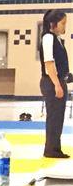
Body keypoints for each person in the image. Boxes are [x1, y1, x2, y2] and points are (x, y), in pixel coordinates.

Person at [38, 9, 68, 159]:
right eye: (62, 23)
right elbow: (49, 63)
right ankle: (50, 149)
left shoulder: (57, 39)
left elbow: (60, 65)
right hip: (51, 83)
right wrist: (57, 84)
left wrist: (66, 78)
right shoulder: (48, 38)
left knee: (58, 116)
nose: (64, 27)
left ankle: (55, 147)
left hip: (57, 81)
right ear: (53, 24)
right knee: (54, 117)